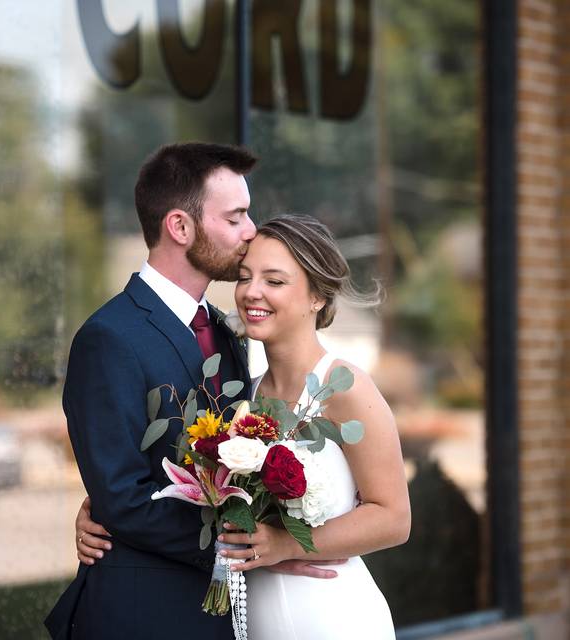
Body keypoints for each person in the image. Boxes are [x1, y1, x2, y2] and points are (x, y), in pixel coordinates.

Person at [45, 144, 340, 640]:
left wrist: (268, 535)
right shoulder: (109, 338)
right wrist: (248, 544)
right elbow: (121, 496)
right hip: (143, 612)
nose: (251, 231)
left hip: (220, 610)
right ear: (180, 227)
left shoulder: (224, 331)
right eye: (236, 217)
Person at [75, 214, 412, 638]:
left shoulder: (345, 388)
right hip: (250, 622)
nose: (252, 292)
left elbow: (394, 518)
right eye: (245, 276)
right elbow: (197, 492)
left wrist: (284, 544)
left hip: (329, 616)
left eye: (274, 281)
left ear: (317, 297)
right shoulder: (239, 397)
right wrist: (105, 512)